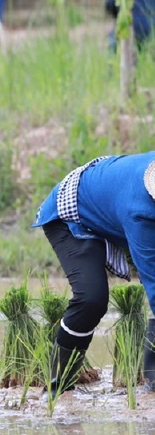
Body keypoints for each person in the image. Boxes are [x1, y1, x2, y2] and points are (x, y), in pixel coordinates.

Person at [33, 154, 155, 394]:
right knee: (92, 299)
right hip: (73, 214)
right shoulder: (140, 212)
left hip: (110, 200)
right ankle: (58, 384)